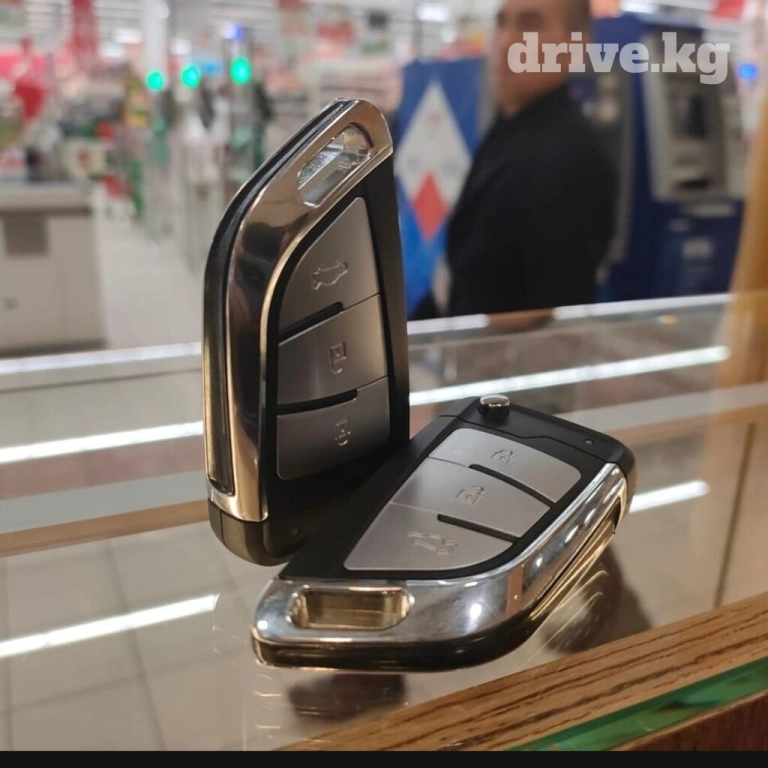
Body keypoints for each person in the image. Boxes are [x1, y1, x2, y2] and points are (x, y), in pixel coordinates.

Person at [413, 0, 617, 320]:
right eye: (501, 23)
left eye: (530, 24)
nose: (506, 42)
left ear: (577, 44)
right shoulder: (508, 130)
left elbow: (545, 322)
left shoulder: (570, 162)